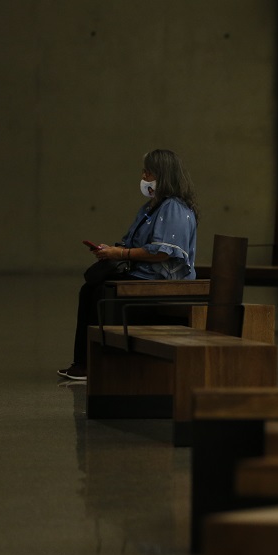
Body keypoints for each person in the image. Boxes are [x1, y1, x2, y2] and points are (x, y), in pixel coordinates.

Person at [57, 148, 199, 382]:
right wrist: (110, 251)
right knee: (89, 289)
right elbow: (132, 243)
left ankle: (100, 362)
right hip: (144, 276)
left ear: (163, 175)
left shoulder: (173, 207)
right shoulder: (151, 207)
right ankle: (84, 362)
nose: (143, 178)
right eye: (143, 172)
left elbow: (162, 253)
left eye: (149, 173)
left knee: (103, 294)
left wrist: (120, 252)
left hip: (162, 284)